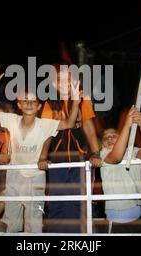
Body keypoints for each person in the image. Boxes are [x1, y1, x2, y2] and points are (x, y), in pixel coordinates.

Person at [0, 72, 82, 233]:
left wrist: (76, 102)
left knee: (33, 221)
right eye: (25, 101)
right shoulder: (11, 120)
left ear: (39, 106)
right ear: (19, 105)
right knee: (11, 219)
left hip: (35, 177)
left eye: (33, 101)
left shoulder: (45, 124)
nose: (29, 104)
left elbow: (70, 123)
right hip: (14, 175)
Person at [39, 65, 101, 233]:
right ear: (54, 83)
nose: (64, 82)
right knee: (57, 200)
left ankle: (78, 236)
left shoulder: (83, 98)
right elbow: (47, 133)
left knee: (78, 199)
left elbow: (88, 126)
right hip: (57, 159)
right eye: (60, 79)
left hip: (80, 158)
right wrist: (43, 156)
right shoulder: (50, 102)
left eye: (68, 78)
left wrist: (95, 152)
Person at [99, 106, 141, 233]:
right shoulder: (103, 154)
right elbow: (117, 157)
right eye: (106, 137)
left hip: (135, 209)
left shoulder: (131, 150)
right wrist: (127, 125)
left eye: (113, 135)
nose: (109, 138)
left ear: (121, 138)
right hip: (115, 213)